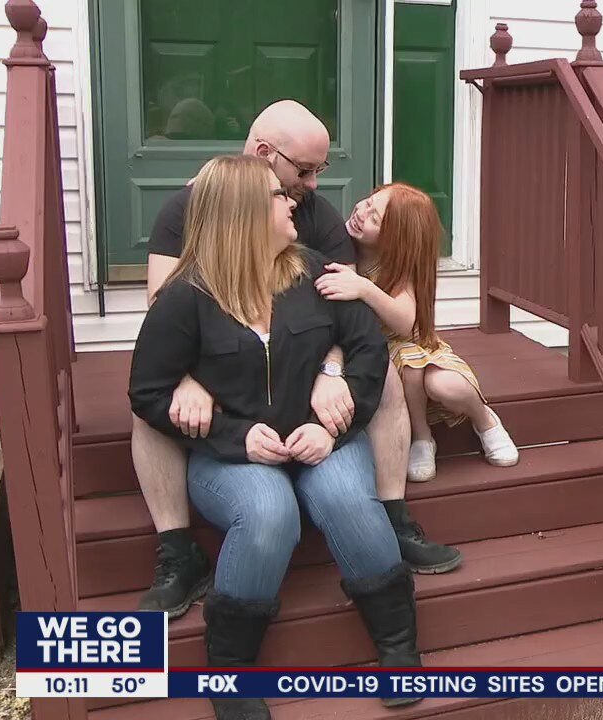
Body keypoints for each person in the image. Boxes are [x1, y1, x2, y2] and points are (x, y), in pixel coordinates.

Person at [135, 100, 460, 618]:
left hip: (300, 360)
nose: (311, 184)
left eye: (319, 171)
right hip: (220, 359)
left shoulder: (314, 214)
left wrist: (331, 367)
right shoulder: (188, 208)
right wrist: (188, 376)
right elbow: (163, 305)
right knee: (157, 405)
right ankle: (177, 551)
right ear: (265, 155)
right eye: (304, 171)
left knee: (390, 379)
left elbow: (343, 303)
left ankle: (392, 516)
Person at [129, 155, 423, 719]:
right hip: (232, 458)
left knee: (347, 501)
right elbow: (147, 392)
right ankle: (231, 673)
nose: (294, 201)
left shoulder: (316, 272)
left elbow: (367, 351)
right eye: (277, 195)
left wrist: (332, 416)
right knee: (269, 514)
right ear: (242, 211)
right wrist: (234, 436)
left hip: (323, 441)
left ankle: (398, 646)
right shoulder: (186, 296)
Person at [315, 182, 519, 484]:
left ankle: (484, 418)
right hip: (379, 354)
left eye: (374, 219)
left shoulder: (394, 266)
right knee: (409, 372)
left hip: (416, 348)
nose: (360, 212)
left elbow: (405, 324)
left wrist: (364, 288)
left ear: (395, 240)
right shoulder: (340, 246)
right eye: (368, 203)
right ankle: (422, 438)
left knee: (444, 385)